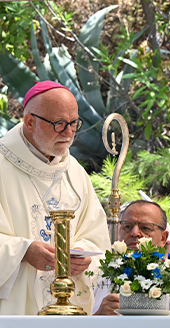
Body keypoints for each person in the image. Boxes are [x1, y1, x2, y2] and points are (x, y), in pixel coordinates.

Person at [0, 81, 109, 315]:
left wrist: (83, 256)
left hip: (69, 312)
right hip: (12, 314)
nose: (69, 133)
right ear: (30, 122)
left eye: (73, 123)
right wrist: (23, 251)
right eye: (59, 124)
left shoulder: (75, 172)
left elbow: (97, 239)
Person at [93, 200, 170, 316]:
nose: (135, 233)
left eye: (145, 228)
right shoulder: (106, 281)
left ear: (163, 238)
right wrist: (98, 316)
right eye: (127, 226)